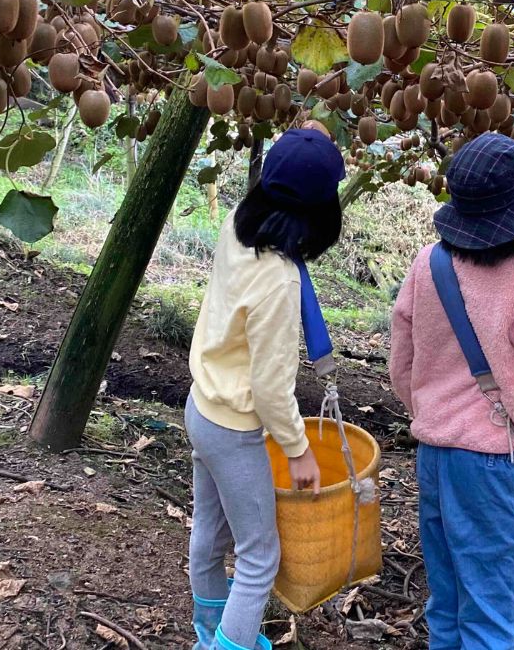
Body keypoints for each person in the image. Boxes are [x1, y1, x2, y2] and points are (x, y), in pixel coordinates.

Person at [389, 132, 514, 650]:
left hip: (434, 453)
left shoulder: (427, 267)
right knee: (491, 612)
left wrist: (430, 413)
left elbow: (402, 362)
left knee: (448, 599)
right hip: (493, 464)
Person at [186, 127, 345, 650]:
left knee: (209, 537)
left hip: (201, 406)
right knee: (259, 557)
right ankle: (227, 644)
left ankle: (209, 631)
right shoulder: (279, 281)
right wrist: (298, 451)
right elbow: (272, 388)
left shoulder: (239, 223)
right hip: (234, 429)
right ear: (321, 216)